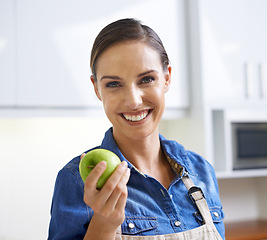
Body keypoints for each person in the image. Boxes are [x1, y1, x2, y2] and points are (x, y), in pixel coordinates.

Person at [48, 18, 225, 240]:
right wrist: (104, 223)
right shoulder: (77, 180)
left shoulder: (201, 171)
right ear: (96, 89)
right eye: (113, 84)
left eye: (147, 79)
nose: (133, 101)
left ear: (167, 78)